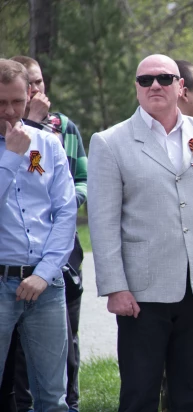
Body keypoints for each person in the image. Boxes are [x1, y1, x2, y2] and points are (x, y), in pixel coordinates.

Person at [88, 54, 193, 411]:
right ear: (137, 89)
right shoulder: (110, 142)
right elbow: (103, 222)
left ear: (181, 87)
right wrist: (115, 287)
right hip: (142, 294)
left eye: (163, 78)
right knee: (140, 394)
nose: (154, 86)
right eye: (145, 81)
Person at [0, 55, 88, 412]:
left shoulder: (47, 143)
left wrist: (45, 273)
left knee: (53, 397)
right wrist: (10, 158)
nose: (10, 111)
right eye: (1, 102)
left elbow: (65, 211)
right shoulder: (18, 147)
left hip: (45, 285)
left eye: (18, 102)